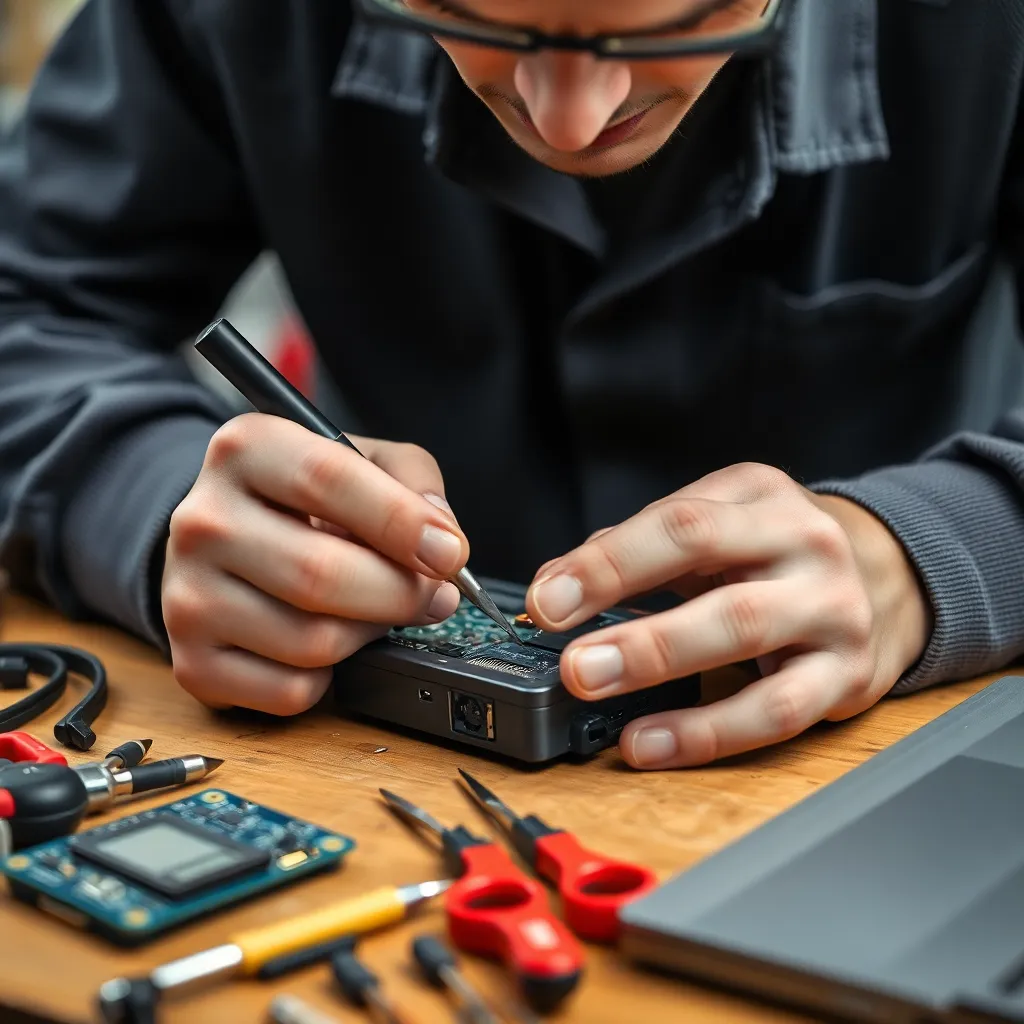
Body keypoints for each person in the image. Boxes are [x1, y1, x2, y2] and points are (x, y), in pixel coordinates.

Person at [1, 0, 1022, 772]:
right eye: (464, 16)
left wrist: (932, 559)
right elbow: (28, 311)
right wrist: (153, 501)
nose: (569, 122)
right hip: (356, 755)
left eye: (670, 28)